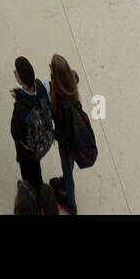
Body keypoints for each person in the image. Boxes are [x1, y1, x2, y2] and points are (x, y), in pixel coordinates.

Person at [10, 55, 52, 197]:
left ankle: (30, 196)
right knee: (36, 169)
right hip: (40, 143)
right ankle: (40, 190)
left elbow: (15, 132)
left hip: (26, 150)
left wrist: (19, 101)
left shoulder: (21, 108)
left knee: (27, 174)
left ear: (20, 79)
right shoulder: (39, 86)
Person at [47, 54, 83, 215]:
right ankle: (64, 181)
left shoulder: (64, 104)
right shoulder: (71, 79)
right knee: (68, 166)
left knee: (67, 169)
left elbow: (65, 132)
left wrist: (55, 134)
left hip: (67, 143)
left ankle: (71, 203)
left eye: (52, 66)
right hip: (71, 139)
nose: (49, 65)